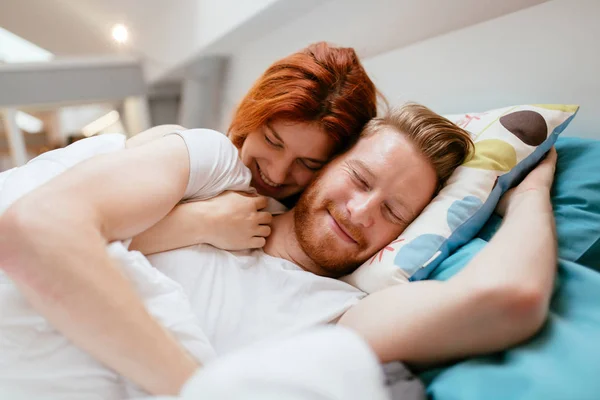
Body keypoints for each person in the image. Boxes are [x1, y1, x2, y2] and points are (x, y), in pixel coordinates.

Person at [0, 104, 556, 398]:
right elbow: (38, 224)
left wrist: (529, 194)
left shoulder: (345, 313)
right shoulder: (211, 185)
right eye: (360, 179)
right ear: (329, 161)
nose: (361, 212)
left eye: (394, 213)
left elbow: (511, 299)